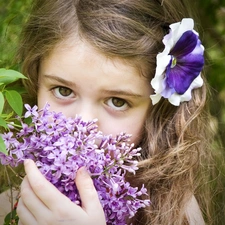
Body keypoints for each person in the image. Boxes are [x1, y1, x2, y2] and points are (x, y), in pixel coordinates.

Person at [0, 0, 215, 224]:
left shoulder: (176, 213)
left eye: (117, 101)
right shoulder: (8, 207)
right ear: (35, 84)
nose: (82, 127)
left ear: (157, 112)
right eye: (63, 91)